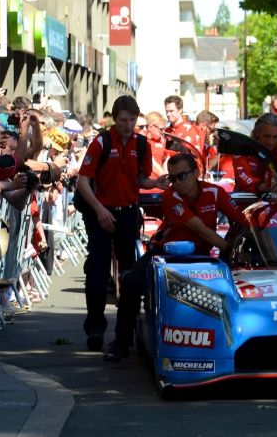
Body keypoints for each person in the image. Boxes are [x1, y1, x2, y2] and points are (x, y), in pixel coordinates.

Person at [103, 151, 242, 362]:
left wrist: (241, 243)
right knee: (131, 282)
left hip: (202, 256)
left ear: (196, 173)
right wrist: (226, 247)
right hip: (166, 253)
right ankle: (121, 342)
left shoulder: (215, 191)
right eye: (172, 177)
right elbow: (198, 227)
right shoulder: (169, 196)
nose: (177, 182)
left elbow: (241, 220)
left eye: (182, 176)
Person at [75, 95, 162, 353]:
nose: (128, 124)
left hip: (127, 213)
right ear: (115, 119)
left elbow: (141, 179)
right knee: (98, 270)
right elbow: (82, 181)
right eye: (123, 120)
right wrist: (100, 209)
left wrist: (158, 183)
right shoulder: (101, 141)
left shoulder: (142, 144)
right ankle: (95, 328)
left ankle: (125, 333)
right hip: (101, 212)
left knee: (129, 274)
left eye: (132, 120)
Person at [233, 113, 277, 195]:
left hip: (276, 201)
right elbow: (242, 175)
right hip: (245, 200)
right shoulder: (243, 148)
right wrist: (261, 186)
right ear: (257, 133)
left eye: (275, 137)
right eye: (267, 136)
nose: (271, 142)